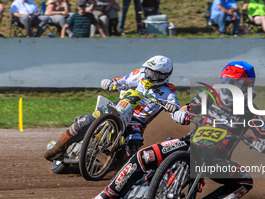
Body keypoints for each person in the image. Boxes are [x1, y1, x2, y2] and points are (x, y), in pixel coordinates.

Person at [89, 61, 265, 199]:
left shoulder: (252, 111)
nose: (228, 85)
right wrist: (182, 113)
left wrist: (261, 143)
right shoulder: (210, 95)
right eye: (225, 80)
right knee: (145, 155)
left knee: (244, 180)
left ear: (246, 86)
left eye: (234, 83)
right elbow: (189, 107)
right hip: (187, 144)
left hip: (216, 160)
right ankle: (108, 195)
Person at [44, 55, 181, 163]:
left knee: (134, 144)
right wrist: (111, 83)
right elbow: (123, 81)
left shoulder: (169, 90)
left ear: (163, 76)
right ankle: (57, 148)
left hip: (137, 121)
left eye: (154, 74)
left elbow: (174, 106)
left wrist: (173, 108)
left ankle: (114, 167)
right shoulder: (139, 73)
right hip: (119, 106)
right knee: (84, 122)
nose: (149, 75)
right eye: (148, 71)